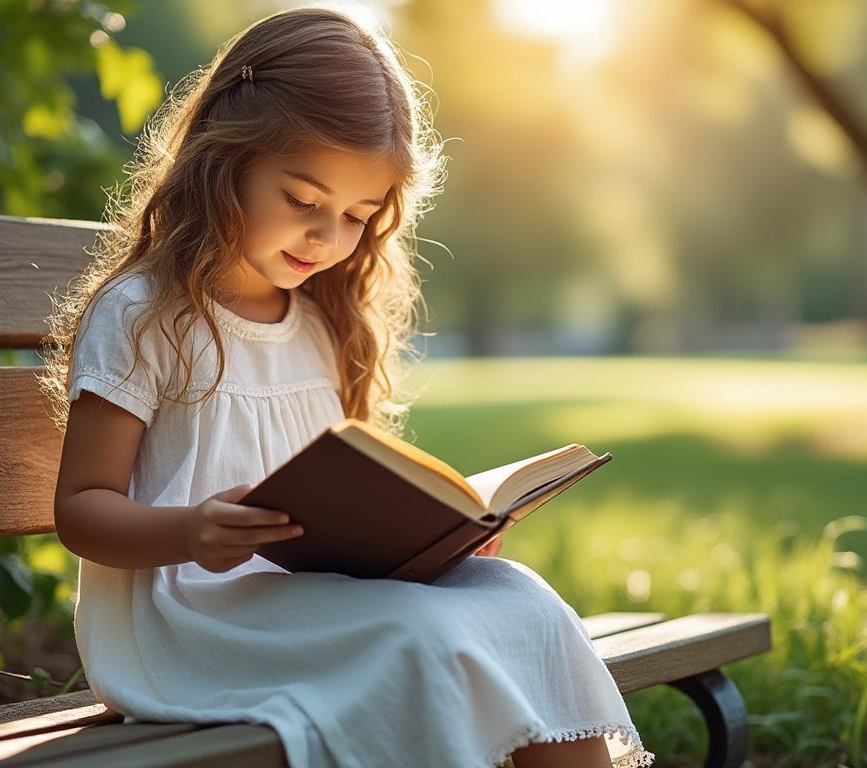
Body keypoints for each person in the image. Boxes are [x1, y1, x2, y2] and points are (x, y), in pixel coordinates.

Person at [39, 5, 655, 768]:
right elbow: (81, 512)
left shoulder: (322, 322)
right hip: (192, 620)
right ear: (224, 157)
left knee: (522, 600)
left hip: (313, 600)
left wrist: (439, 540)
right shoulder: (145, 316)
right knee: (422, 635)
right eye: (303, 201)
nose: (327, 238)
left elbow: (349, 497)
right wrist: (192, 529)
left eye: (359, 215)